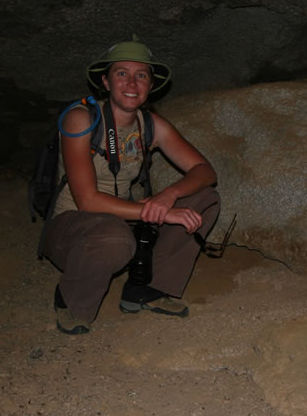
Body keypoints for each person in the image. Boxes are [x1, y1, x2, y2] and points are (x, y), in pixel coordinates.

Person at [42, 39, 220, 335]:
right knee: (116, 237)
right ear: (105, 80)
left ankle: (148, 289)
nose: (132, 83)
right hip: (73, 227)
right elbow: (87, 201)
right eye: (121, 73)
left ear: (151, 84)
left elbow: (205, 171)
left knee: (205, 198)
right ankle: (72, 301)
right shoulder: (81, 119)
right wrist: (161, 213)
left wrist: (168, 196)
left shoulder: (150, 125)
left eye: (141, 75)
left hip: (120, 220)